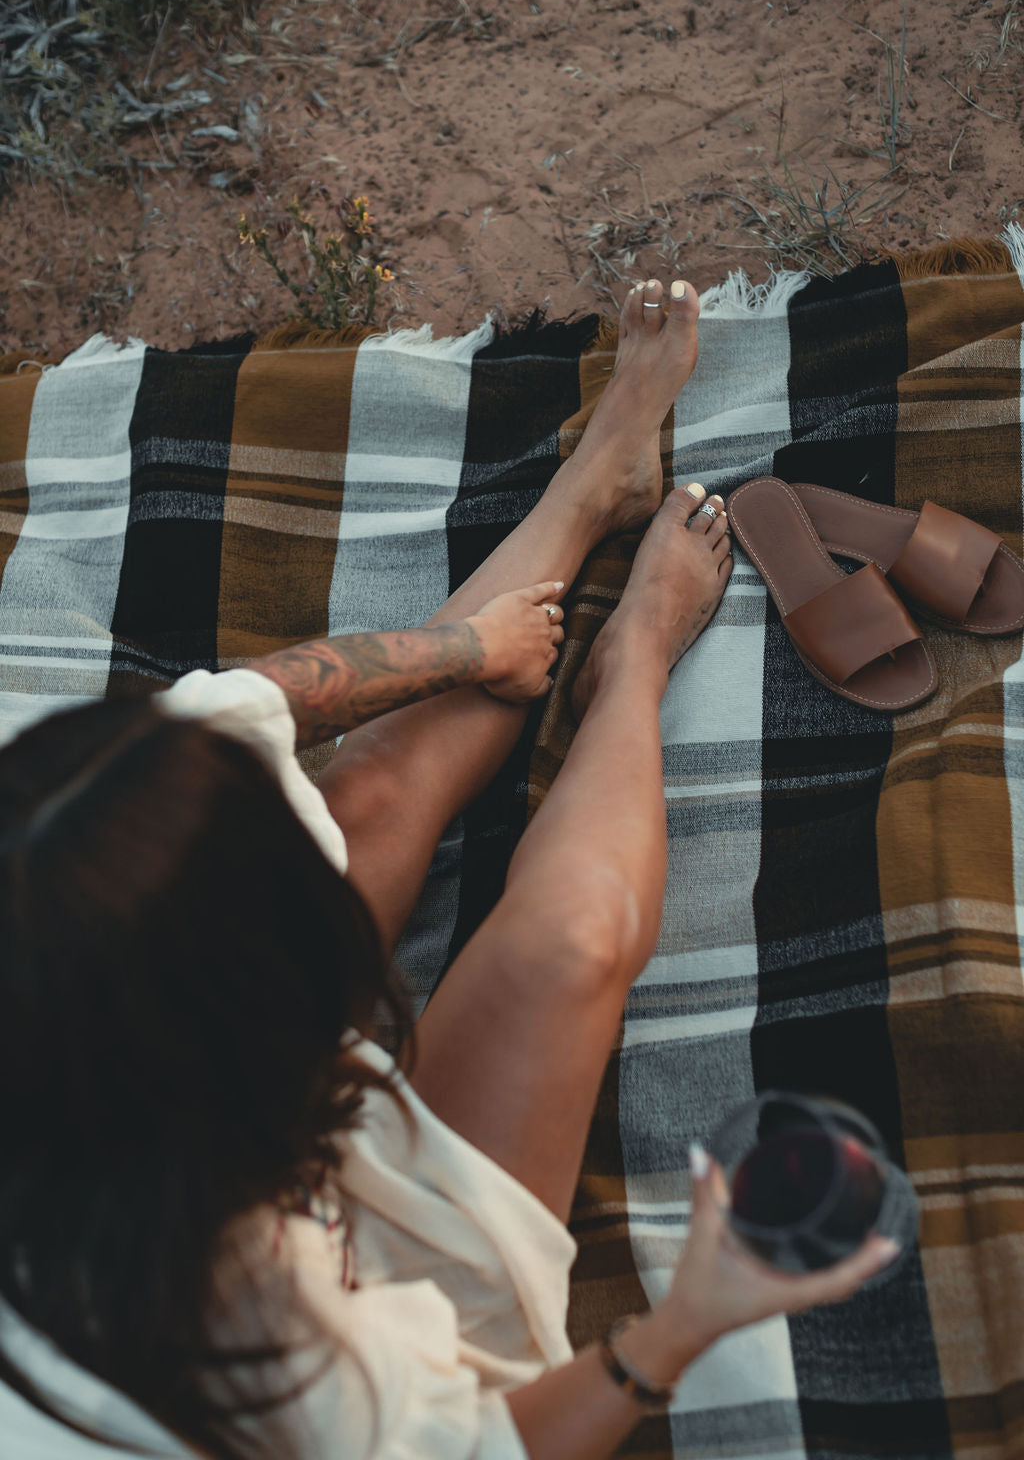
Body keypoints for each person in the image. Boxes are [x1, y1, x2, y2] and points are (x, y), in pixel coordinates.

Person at [0, 278, 898, 1460]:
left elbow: (248, 708)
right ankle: (629, 663)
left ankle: (592, 489)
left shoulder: (51, 874)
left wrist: (462, 649)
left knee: (368, 794)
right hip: (355, 1294)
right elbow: (489, 1445)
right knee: (573, 936)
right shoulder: (275, 1362)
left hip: (202, 1129)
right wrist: (678, 1329)